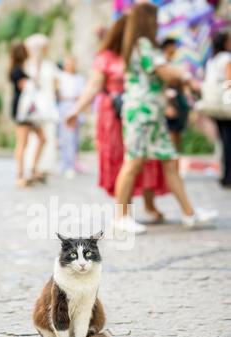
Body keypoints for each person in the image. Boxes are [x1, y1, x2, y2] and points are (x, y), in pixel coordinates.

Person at [114, 3, 217, 233]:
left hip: (153, 112)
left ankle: (189, 214)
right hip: (141, 112)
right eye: (156, 19)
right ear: (147, 20)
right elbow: (166, 73)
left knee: (170, 161)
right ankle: (120, 216)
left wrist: (182, 78)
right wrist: (187, 77)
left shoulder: (143, 46)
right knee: (133, 161)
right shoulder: (143, 45)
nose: (159, 23)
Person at [66, 15, 167, 226]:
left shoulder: (137, 53)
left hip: (139, 110)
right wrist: (76, 110)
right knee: (123, 159)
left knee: (146, 158)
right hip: (114, 113)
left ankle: (149, 205)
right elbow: (93, 86)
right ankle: (123, 212)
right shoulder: (106, 56)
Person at [9, 41, 47, 188]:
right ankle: (19, 174)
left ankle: (32, 168)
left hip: (30, 111)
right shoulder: (17, 70)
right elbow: (27, 87)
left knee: (42, 139)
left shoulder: (22, 68)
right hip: (23, 111)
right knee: (22, 143)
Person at [24, 34, 59, 175]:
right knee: (35, 137)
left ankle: (44, 164)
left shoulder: (49, 65)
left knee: (48, 134)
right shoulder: (28, 66)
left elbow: (56, 84)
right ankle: (33, 164)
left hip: (48, 104)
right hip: (35, 107)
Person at [205, 31, 231, 188]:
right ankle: (229, 176)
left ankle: (226, 175)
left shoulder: (212, 60)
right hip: (226, 105)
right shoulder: (227, 58)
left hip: (215, 105)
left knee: (224, 140)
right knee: (229, 142)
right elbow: (230, 81)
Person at [57, 56, 85, 178]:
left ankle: (74, 162)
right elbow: (60, 95)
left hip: (76, 107)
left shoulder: (79, 79)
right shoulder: (60, 77)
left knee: (75, 138)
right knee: (66, 137)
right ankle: (67, 164)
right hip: (65, 108)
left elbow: (82, 95)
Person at [161, 38, 190, 152]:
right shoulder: (162, 64)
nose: (175, 49)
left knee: (177, 134)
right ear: (167, 47)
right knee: (171, 135)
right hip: (169, 103)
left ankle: (176, 160)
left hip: (177, 102)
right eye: (173, 46)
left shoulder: (173, 63)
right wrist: (167, 106)